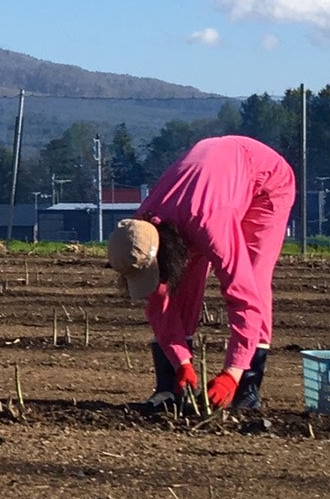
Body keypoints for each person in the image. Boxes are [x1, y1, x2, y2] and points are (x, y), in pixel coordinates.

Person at [106, 135, 295, 413]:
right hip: (207, 191)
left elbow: (243, 297)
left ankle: (246, 391)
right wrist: (182, 362)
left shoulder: (209, 225)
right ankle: (171, 387)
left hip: (265, 184)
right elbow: (159, 303)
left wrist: (232, 373)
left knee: (253, 279)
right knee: (176, 288)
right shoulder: (139, 230)